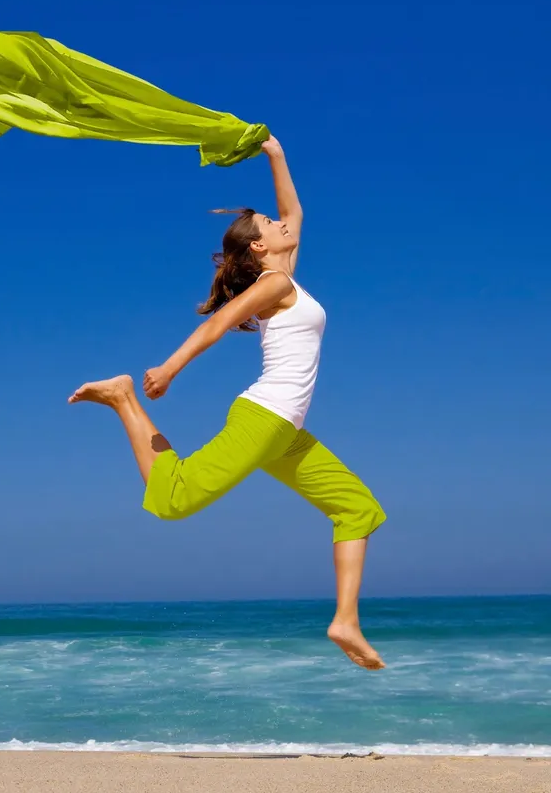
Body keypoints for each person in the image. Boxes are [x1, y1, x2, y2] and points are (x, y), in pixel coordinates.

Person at [68, 135, 387, 670]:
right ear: (261, 247)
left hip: (284, 431)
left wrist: (275, 153)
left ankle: (345, 620)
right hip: (263, 417)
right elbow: (218, 322)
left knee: (357, 508)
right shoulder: (275, 281)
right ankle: (124, 397)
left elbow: (294, 210)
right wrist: (169, 368)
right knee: (174, 501)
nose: (283, 225)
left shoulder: (287, 274)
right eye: (270, 225)